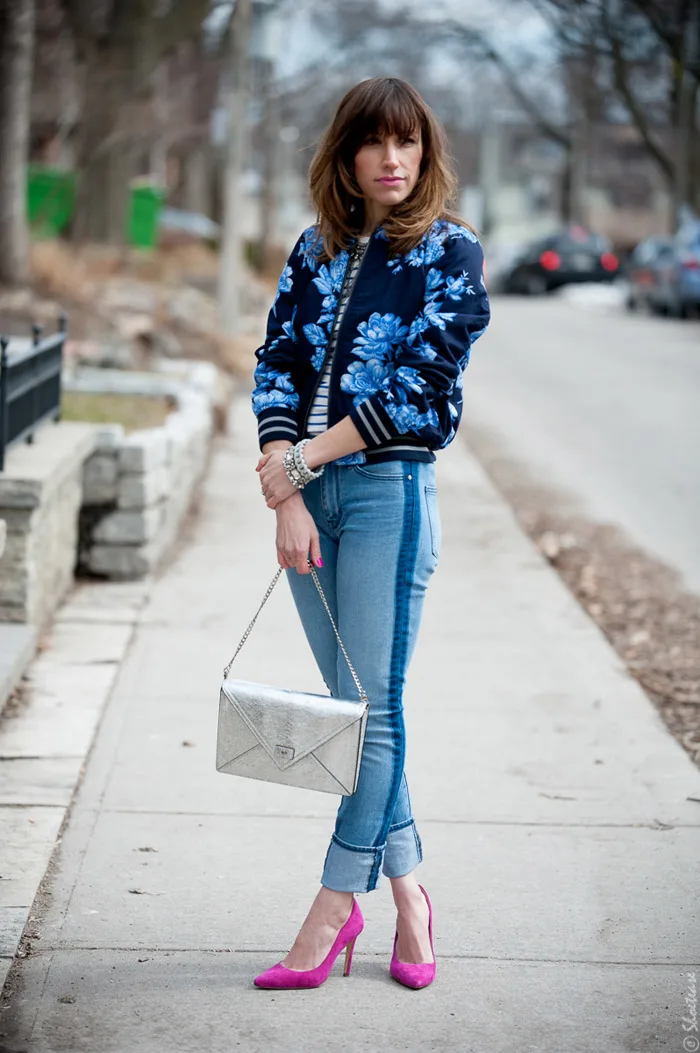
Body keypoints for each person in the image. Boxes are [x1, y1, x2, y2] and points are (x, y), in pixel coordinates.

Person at [252, 76, 490, 990]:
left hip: (388, 490)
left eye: (410, 144)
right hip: (310, 499)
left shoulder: (449, 252)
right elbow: (276, 358)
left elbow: (422, 391)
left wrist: (307, 461)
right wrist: (287, 490)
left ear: (425, 155)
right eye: (375, 143)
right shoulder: (314, 250)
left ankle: (331, 905)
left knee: (372, 712)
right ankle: (413, 897)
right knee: (354, 716)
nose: (393, 159)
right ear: (346, 155)